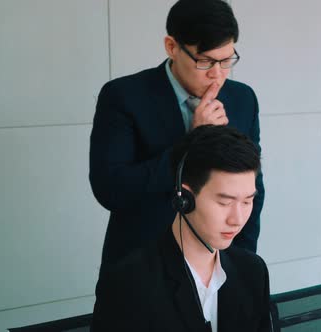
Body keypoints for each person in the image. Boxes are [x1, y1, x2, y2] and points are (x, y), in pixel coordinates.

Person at [89, 0, 264, 270]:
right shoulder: (124, 97)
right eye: (205, 61)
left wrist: (241, 261)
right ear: (172, 47)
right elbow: (110, 189)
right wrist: (192, 141)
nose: (218, 75)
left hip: (221, 265)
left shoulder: (242, 98)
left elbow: (254, 188)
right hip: (142, 267)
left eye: (227, 60)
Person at [91, 125, 271, 332]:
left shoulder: (252, 271)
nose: (237, 219)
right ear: (184, 198)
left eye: (247, 202)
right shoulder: (128, 284)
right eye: (224, 203)